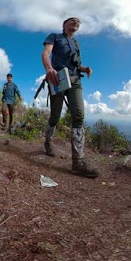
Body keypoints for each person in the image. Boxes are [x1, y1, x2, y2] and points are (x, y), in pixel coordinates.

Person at [41, 17, 98, 178]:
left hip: (75, 81)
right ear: (64, 24)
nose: (76, 22)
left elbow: (75, 64)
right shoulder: (54, 37)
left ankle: (78, 162)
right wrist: (49, 69)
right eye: (72, 20)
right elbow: (46, 54)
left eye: (78, 22)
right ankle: (48, 142)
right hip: (57, 79)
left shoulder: (77, 44)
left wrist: (85, 68)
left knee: (79, 115)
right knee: (55, 116)